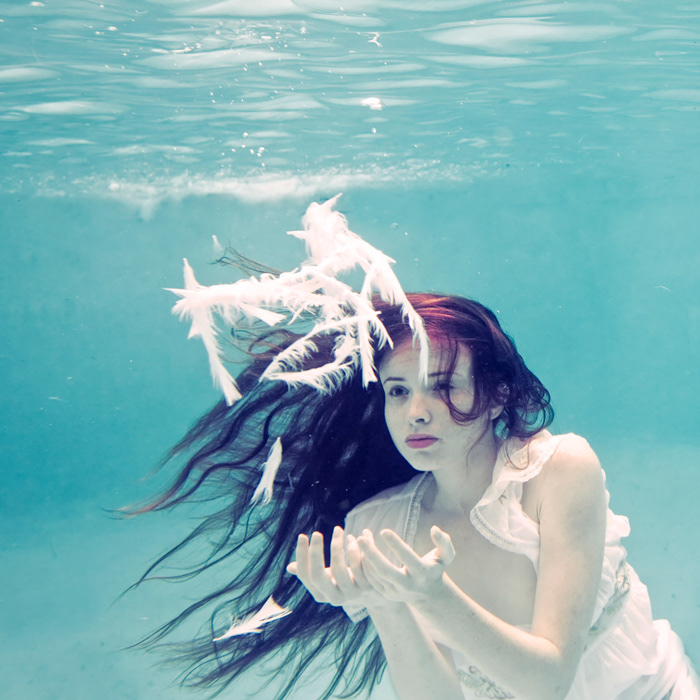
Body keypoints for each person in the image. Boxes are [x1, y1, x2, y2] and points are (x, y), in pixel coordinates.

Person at [135, 201, 698, 700]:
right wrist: (386, 600)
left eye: (444, 385)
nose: (416, 412)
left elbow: (547, 681)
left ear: (498, 393)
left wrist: (431, 594)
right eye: (398, 391)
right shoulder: (379, 527)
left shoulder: (556, 473)